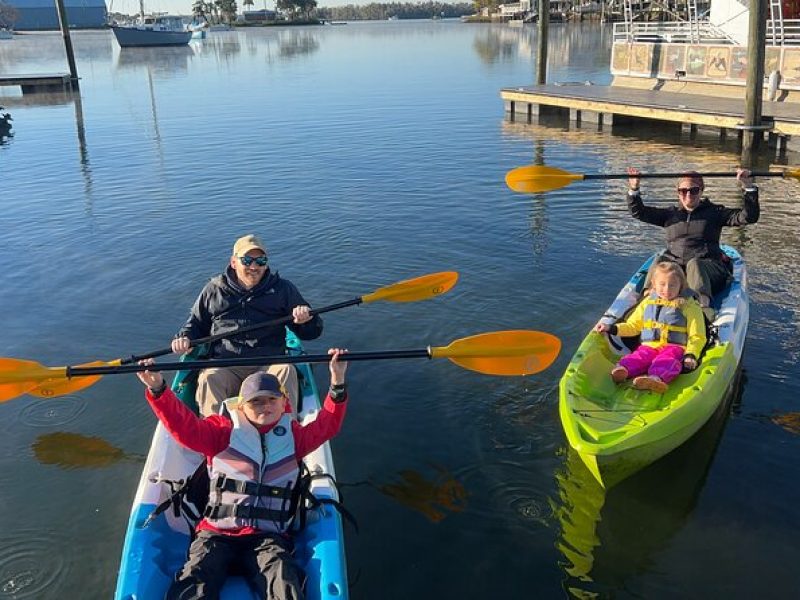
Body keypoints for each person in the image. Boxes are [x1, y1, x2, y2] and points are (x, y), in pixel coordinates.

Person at [136, 348, 349, 600]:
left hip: (268, 539)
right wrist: (159, 389)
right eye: (256, 401)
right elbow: (183, 426)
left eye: (272, 399)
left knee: (282, 579)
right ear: (242, 407)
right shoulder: (221, 433)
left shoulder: (295, 438)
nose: (265, 406)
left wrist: (337, 382)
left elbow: (328, 424)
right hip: (215, 534)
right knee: (196, 578)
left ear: (283, 403)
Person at [172, 234, 323, 416]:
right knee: (208, 379)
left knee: (286, 370)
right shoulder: (214, 290)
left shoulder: (283, 289)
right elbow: (195, 324)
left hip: (268, 363)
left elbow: (312, 332)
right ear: (234, 262)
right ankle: (215, 434)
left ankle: (285, 430)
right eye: (247, 260)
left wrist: (307, 320)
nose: (254, 266)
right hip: (227, 365)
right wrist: (184, 338)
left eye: (260, 260)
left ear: (266, 263)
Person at [626, 166, 759, 318]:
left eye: (694, 190)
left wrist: (748, 187)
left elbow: (748, 217)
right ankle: (648, 302)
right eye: (683, 191)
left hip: (708, 267)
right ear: (678, 192)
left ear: (701, 191)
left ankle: (703, 311)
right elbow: (638, 212)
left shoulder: (715, 213)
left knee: (695, 264)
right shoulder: (670, 214)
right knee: (661, 260)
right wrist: (634, 188)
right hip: (677, 270)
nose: (688, 195)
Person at [594, 261, 706, 394]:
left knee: (667, 360)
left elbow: (697, 335)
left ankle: (655, 379)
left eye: (672, 285)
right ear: (654, 283)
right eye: (662, 284)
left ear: (681, 286)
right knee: (638, 357)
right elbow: (633, 326)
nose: (667, 290)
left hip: (675, 348)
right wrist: (610, 328)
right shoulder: (647, 302)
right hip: (649, 346)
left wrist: (691, 354)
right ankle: (623, 370)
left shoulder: (689, 306)